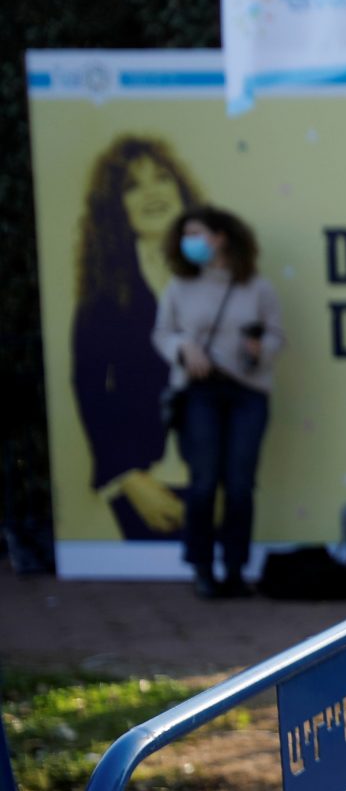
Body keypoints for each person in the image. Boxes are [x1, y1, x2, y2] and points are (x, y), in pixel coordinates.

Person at [71, 134, 199, 541]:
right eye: (132, 186)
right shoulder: (103, 292)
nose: (151, 193)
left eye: (161, 178)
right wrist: (128, 478)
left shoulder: (221, 276)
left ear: (180, 190)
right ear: (116, 208)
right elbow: (89, 387)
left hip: (215, 470)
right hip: (147, 482)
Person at [152, 207, 284, 598]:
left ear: (221, 236)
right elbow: (162, 334)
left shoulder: (257, 287)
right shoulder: (179, 285)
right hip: (199, 391)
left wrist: (259, 349)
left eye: (197, 233)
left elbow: (278, 337)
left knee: (240, 485)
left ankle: (235, 568)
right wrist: (183, 348)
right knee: (204, 482)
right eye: (185, 234)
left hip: (247, 391)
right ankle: (202, 567)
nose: (189, 241)